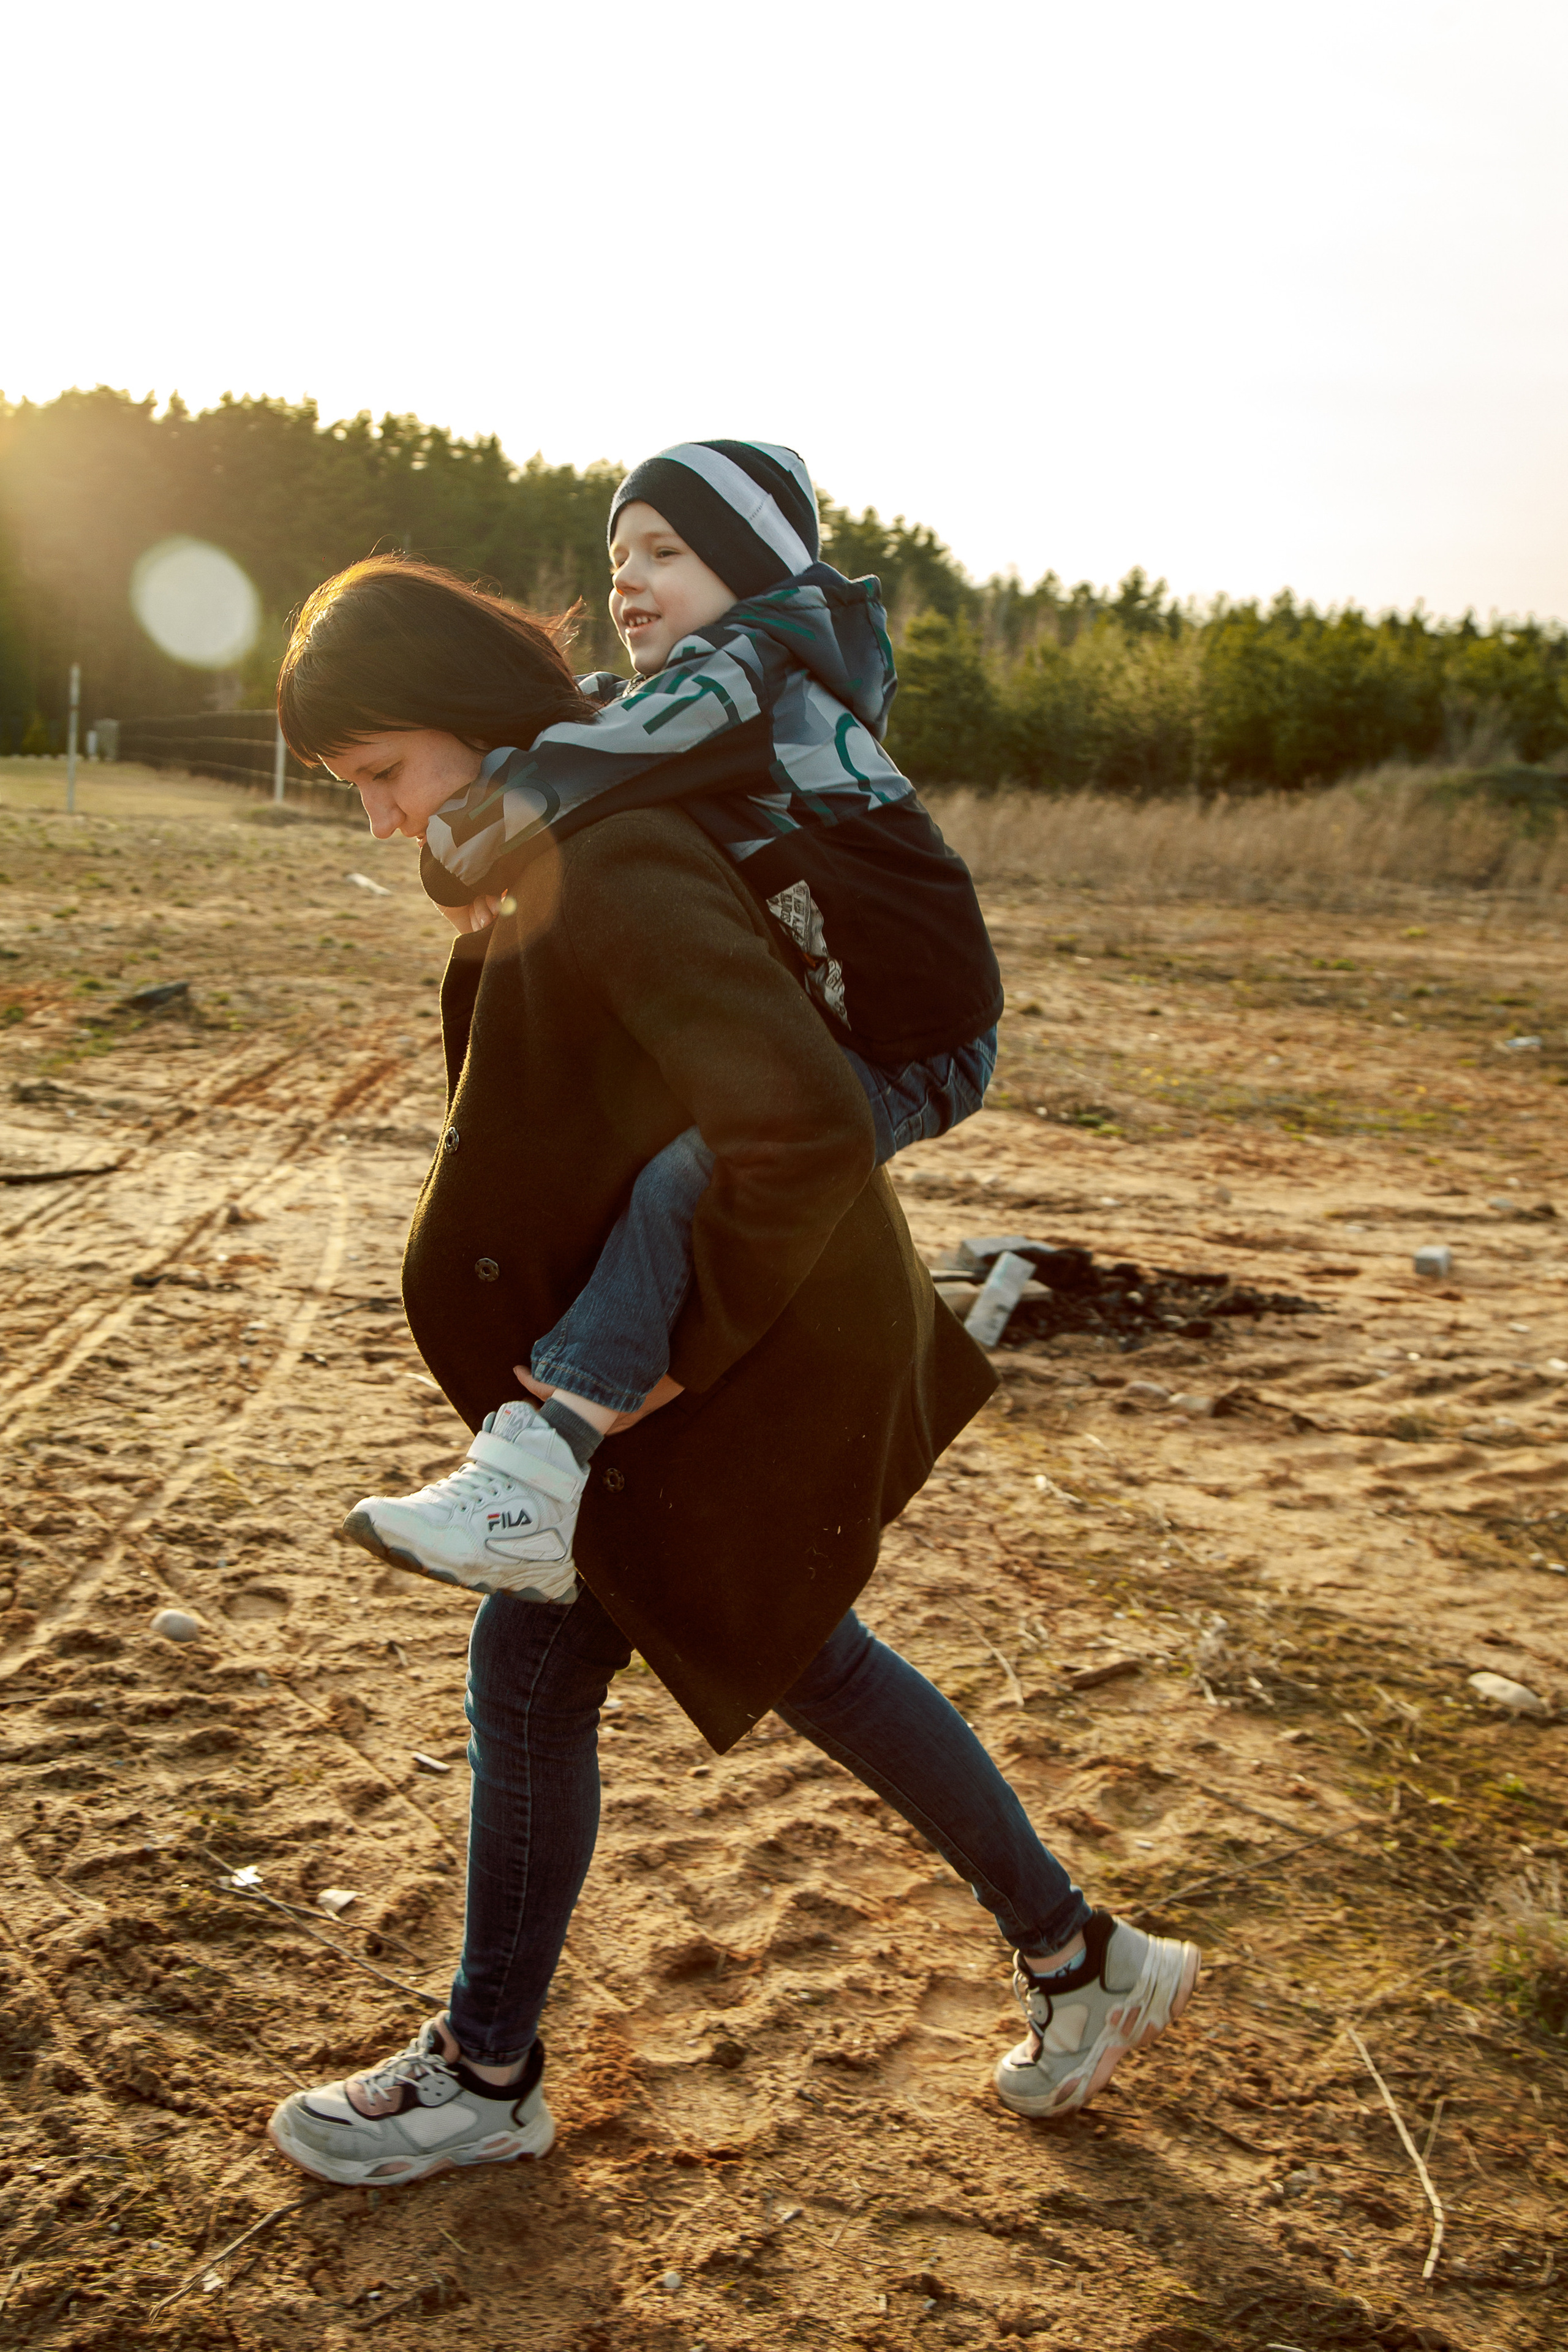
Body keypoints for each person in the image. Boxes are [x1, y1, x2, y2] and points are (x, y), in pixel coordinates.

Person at [263, 545, 1200, 2187]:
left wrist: (645, 1375)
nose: (381, 820)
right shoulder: (563, 836)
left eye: (383, 775)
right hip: (684, 1368)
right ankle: (1079, 1959)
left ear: (469, 726)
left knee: (594, 1665)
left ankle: (490, 2072)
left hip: (703, 1368)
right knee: (763, 1654)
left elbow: (799, 1125)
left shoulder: (612, 853)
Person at [281, 440, 1004, 1594]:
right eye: (621, 554)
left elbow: (599, 759)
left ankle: (545, 1456)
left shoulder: (751, 671)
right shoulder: (710, 691)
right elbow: (611, 730)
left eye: (667, 551)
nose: (628, 579)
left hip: (919, 1041)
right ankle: (532, 1481)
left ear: (756, 575)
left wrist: (463, 846)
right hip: (864, 1019)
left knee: (687, 1180)